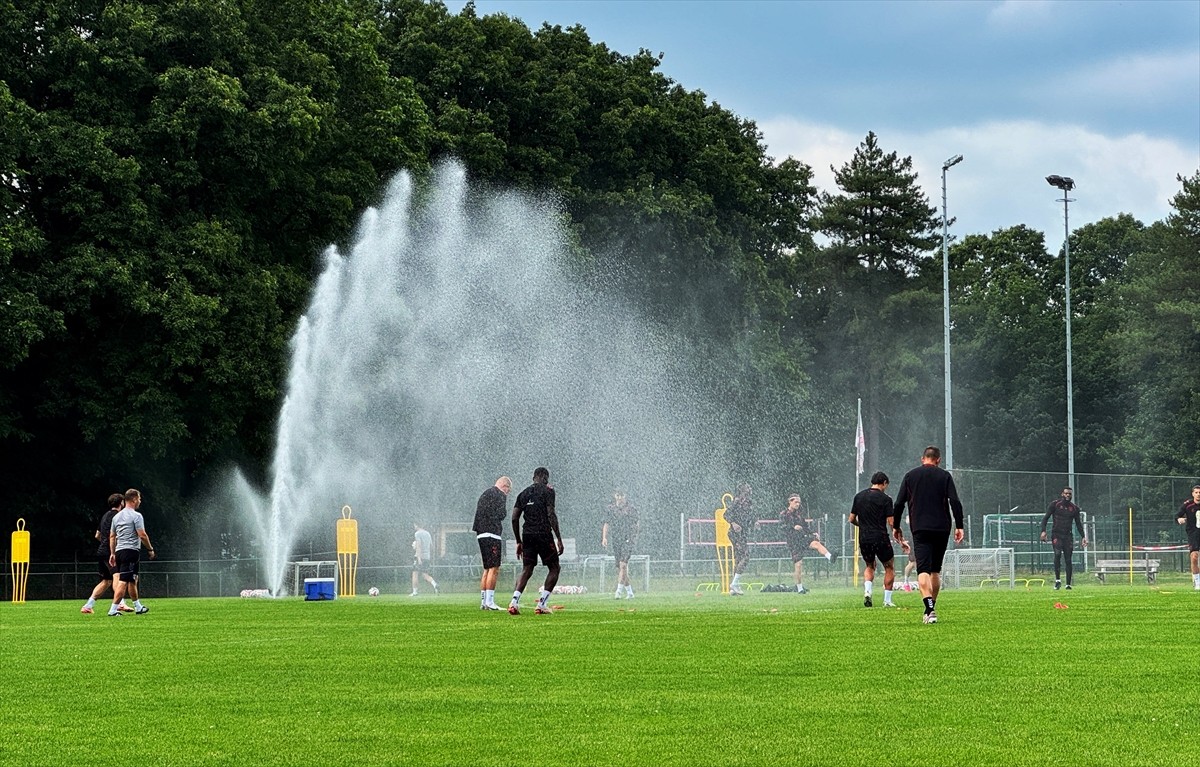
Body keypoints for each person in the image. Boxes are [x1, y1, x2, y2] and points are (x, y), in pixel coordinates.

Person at [891, 447, 964, 624]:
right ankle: (931, 607)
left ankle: (929, 609)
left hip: (920, 528)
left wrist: (896, 526)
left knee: (922, 569)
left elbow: (899, 503)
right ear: (938, 460)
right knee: (935, 570)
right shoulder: (944, 476)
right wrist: (959, 525)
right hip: (942, 527)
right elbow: (955, 501)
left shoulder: (910, 476)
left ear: (922, 458)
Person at [508, 467, 564, 615]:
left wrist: (518, 541)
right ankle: (542, 604)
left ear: (534, 478)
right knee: (554, 567)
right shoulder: (548, 491)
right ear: (545, 477)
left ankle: (514, 602)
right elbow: (551, 514)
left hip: (527, 535)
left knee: (527, 568)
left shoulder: (523, 493)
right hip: (543, 534)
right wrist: (558, 537)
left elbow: (514, 518)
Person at [849, 472, 904, 608]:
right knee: (889, 566)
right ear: (884, 483)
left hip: (864, 537)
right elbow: (891, 522)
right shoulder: (886, 499)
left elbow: (851, 519)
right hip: (880, 537)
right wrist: (899, 536)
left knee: (869, 566)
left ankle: (868, 592)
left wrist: (862, 526)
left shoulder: (859, 496)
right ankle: (887, 600)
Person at [107, 488, 156, 616]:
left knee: (133, 579)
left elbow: (112, 536)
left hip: (119, 551)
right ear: (134, 499)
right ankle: (113, 610)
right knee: (123, 580)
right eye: (139, 498)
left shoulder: (116, 517)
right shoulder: (136, 516)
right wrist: (150, 549)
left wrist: (112, 553)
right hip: (130, 551)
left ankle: (138, 607)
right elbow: (142, 535)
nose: (140, 501)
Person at [82, 493, 132, 614]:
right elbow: (112, 535)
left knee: (106, 581)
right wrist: (113, 549)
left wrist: (105, 543)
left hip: (101, 551)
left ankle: (88, 606)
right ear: (121, 503)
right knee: (117, 576)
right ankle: (120, 603)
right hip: (110, 552)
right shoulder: (119, 516)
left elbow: (97, 535)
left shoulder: (105, 516)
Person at [779, 493, 838, 594]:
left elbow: (805, 526)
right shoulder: (783, 514)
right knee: (798, 565)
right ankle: (800, 588)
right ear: (790, 502)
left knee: (816, 543)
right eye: (796, 502)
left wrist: (813, 533)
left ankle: (830, 557)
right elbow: (781, 527)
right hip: (793, 542)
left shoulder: (799, 515)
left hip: (802, 539)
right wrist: (792, 527)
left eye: (799, 502)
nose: (798, 504)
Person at [473, 476, 511, 610]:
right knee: (494, 568)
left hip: (481, 533)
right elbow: (502, 514)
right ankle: (490, 602)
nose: (508, 492)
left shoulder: (486, 493)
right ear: (504, 485)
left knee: (487, 568)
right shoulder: (499, 494)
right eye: (508, 489)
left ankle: (483, 602)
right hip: (492, 533)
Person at [1040, 487, 1088, 590]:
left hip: (1068, 536)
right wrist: (1043, 531)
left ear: (1071, 495)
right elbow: (1045, 518)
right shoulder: (1055, 504)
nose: (1068, 495)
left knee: (1068, 559)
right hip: (1056, 534)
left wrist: (1083, 536)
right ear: (1062, 494)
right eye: (1066, 493)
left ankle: (1068, 584)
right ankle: (1057, 581)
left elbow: (1078, 524)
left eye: (1069, 494)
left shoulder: (1074, 508)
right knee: (1057, 554)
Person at [601, 489, 640, 599]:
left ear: (625, 496)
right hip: (616, 539)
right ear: (614, 496)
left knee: (623, 565)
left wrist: (633, 537)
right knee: (620, 568)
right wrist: (604, 537)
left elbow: (636, 524)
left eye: (622, 495)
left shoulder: (631, 509)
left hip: (627, 539)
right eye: (618, 495)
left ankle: (618, 591)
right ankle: (630, 592)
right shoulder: (611, 509)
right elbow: (606, 523)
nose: (620, 498)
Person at [725, 483, 756, 595]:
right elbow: (726, 514)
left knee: (738, 559)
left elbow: (751, 515)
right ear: (743, 490)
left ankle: (734, 588)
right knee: (746, 556)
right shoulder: (736, 501)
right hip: (735, 534)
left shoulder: (749, 502)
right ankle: (734, 583)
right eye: (748, 487)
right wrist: (733, 523)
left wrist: (755, 522)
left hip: (743, 533)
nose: (750, 489)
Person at [1176, 485, 1200, 591]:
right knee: (1194, 557)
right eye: (1196, 492)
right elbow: (1177, 515)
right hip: (1193, 533)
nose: (1198, 494)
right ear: (1193, 494)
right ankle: (1197, 582)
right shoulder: (1188, 505)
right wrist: (1179, 519)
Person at [410, 523, 439, 596]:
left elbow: (419, 546)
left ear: (416, 525)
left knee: (415, 574)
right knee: (425, 575)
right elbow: (431, 546)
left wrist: (419, 558)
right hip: (427, 557)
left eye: (414, 525)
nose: (414, 526)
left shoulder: (417, 534)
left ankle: (415, 592)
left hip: (420, 557)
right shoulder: (428, 533)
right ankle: (435, 584)